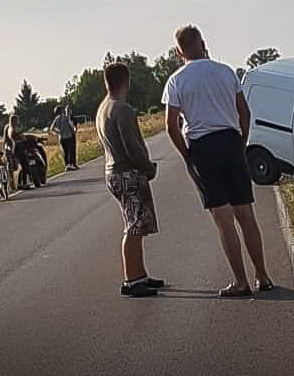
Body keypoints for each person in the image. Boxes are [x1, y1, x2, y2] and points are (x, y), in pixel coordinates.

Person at [162, 25, 273, 297]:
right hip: (231, 141)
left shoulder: (176, 81)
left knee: (223, 219)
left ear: (178, 51)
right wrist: (241, 140)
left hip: (203, 148)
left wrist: (187, 156)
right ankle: (263, 275)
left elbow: (171, 126)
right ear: (202, 43)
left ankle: (240, 282)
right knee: (245, 214)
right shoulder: (225, 72)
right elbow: (244, 111)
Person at [97, 62, 163, 298]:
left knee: (135, 223)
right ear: (127, 81)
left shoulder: (103, 108)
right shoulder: (122, 109)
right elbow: (131, 145)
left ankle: (140, 273)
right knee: (134, 226)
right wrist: (147, 168)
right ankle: (132, 279)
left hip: (112, 172)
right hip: (127, 173)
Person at [3, 114, 35, 189]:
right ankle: (23, 183)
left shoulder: (10, 128)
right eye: (16, 120)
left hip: (17, 148)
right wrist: (21, 137)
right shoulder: (12, 129)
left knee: (23, 166)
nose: (17, 121)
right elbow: (16, 137)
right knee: (25, 165)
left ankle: (20, 183)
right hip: (18, 147)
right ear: (13, 120)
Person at [50, 105, 78, 171]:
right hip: (68, 136)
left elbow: (51, 128)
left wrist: (58, 131)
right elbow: (70, 124)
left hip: (61, 137)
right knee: (70, 151)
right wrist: (74, 130)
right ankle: (71, 165)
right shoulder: (66, 117)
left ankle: (66, 165)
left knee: (65, 151)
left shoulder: (56, 119)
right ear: (61, 111)